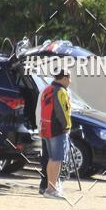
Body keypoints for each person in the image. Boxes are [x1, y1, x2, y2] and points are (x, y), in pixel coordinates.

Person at [39, 70, 72, 198]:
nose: (70, 81)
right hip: (57, 130)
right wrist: (67, 127)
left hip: (46, 128)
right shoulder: (61, 91)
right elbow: (62, 111)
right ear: (64, 78)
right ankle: (51, 190)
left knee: (51, 159)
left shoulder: (47, 89)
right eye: (69, 78)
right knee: (57, 160)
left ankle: (49, 187)